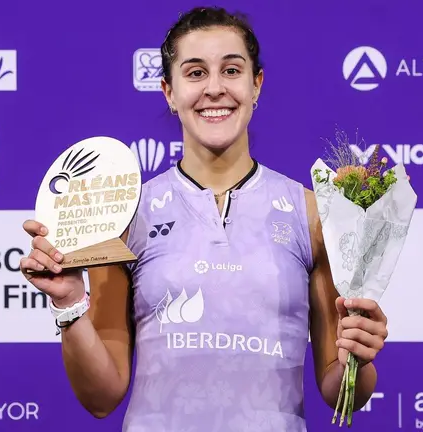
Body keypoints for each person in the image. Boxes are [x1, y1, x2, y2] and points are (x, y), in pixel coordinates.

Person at [19, 6, 389, 431]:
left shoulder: (312, 213)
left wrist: (357, 359)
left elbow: (339, 393)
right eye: (195, 73)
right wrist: (68, 303)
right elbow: (101, 396)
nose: (215, 88)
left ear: (256, 85)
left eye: (231, 70)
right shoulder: (124, 216)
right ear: (168, 92)